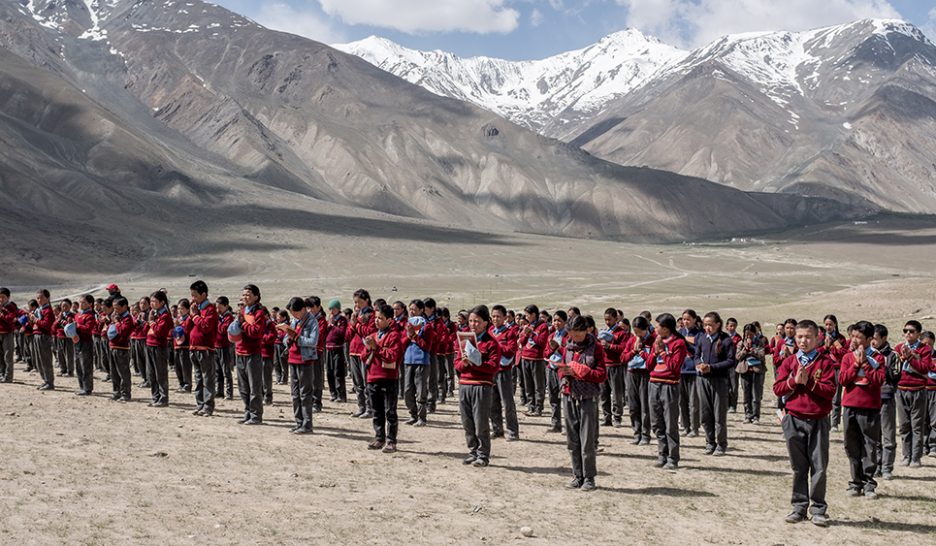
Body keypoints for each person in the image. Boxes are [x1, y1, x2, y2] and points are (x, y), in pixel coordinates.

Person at [773, 320, 837, 527]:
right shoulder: (789, 362)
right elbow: (778, 388)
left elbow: (830, 392)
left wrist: (809, 382)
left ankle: (818, 509)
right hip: (793, 419)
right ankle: (799, 507)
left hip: (818, 420)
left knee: (818, 467)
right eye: (800, 336)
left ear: (818, 337)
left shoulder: (825, 362)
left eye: (808, 336)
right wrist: (794, 382)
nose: (803, 340)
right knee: (799, 467)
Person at [558, 315, 608, 491]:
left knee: (587, 440)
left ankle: (589, 477)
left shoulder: (596, 348)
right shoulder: (567, 347)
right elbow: (562, 369)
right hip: (569, 394)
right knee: (572, 439)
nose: (575, 338)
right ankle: (577, 475)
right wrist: (564, 372)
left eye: (578, 334)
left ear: (586, 330)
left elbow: (602, 374)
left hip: (588, 397)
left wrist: (583, 372)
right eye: (571, 335)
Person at [840, 321, 885, 498]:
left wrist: (866, 364)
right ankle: (855, 482)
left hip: (869, 407)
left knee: (869, 446)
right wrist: (856, 366)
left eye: (859, 337)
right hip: (850, 406)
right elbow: (843, 380)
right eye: (853, 336)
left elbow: (879, 380)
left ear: (868, 339)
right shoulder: (847, 358)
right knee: (851, 445)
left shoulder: (878, 358)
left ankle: (869, 483)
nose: (854, 339)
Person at [455, 305, 501, 468]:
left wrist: (476, 363)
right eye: (471, 321)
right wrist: (464, 363)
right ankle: (472, 451)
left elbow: (493, 366)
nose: (473, 324)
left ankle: (483, 454)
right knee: (467, 421)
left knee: (480, 422)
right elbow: (457, 364)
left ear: (486, 322)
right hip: (465, 384)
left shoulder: (491, 343)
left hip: (482, 386)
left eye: (477, 321)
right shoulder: (465, 340)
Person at [695, 312, 736, 456]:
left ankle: (721, 444)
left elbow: (731, 361)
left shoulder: (726, 340)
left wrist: (712, 367)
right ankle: (709, 442)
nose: (707, 327)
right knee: (705, 414)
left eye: (710, 325)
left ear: (718, 325)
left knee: (719, 415)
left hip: (719, 381)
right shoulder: (701, 338)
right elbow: (696, 355)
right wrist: (699, 364)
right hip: (702, 380)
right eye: (705, 325)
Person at [648, 313, 686, 471]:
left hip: (669, 385)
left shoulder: (679, 343)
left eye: (657, 326)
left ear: (666, 328)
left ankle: (673, 457)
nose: (655, 328)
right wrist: (655, 352)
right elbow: (649, 365)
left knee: (670, 422)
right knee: (656, 422)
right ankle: (661, 454)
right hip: (653, 384)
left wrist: (663, 352)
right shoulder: (656, 341)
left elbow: (674, 367)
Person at [363, 304, 403, 453]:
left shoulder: (394, 336)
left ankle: (391, 441)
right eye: (376, 318)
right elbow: (363, 356)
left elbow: (393, 355)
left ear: (389, 320)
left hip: (388, 377)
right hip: (373, 377)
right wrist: (368, 348)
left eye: (380, 318)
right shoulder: (372, 335)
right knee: (377, 410)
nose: (377, 321)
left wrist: (377, 348)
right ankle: (379, 437)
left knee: (390, 411)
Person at [895, 320, 933, 467]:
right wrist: (902, 358)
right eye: (905, 331)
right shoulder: (899, 348)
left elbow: (924, 368)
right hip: (901, 389)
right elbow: (895, 367)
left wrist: (911, 358)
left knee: (916, 424)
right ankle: (906, 454)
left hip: (918, 390)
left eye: (911, 331)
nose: (907, 334)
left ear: (918, 333)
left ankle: (916, 457)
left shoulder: (925, 350)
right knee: (904, 424)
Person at [279, 297, 320, 434]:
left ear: (303, 309)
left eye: (295, 313)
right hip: (292, 359)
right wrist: (287, 337)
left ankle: (307, 424)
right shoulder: (295, 320)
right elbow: (286, 338)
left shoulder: (312, 321)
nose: (293, 316)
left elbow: (313, 341)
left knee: (305, 394)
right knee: (295, 394)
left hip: (305, 360)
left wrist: (296, 337)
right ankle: (298, 422)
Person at [234, 285, 267, 425]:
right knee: (243, 387)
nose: (245, 297)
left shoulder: (259, 313)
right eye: (243, 294)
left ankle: (256, 415)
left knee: (254, 387)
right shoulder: (243, 311)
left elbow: (256, 332)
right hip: (240, 351)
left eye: (248, 294)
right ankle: (247, 411)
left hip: (253, 354)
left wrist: (243, 325)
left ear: (256, 296)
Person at [873, 324, 900, 480]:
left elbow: (896, 376)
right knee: (874, 434)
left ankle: (887, 467)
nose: (873, 342)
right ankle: (876, 465)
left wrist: (881, 365)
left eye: (875, 339)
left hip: (886, 397)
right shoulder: (868, 353)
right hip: (871, 398)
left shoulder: (893, 355)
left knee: (888, 434)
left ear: (884, 338)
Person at [490, 305, 520, 440]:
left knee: (507, 402)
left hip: (504, 371)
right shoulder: (490, 331)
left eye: (498, 316)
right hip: (491, 371)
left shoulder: (510, 332)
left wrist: (496, 345)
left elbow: (511, 350)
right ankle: (497, 429)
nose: (495, 319)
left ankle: (512, 430)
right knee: (492, 401)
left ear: (504, 318)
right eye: (493, 316)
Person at [624, 316, 655, 445]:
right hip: (632, 373)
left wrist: (642, 351)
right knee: (633, 406)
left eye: (639, 332)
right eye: (635, 331)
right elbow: (623, 357)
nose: (637, 335)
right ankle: (636, 433)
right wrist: (633, 351)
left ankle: (646, 434)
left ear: (646, 329)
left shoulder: (653, 340)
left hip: (645, 374)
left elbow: (652, 360)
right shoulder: (632, 340)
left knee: (645, 406)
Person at [189, 281, 218, 416]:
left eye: (195, 295)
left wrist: (195, 316)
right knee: (198, 378)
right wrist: (192, 315)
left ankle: (208, 406)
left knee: (207, 379)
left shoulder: (210, 309)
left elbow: (206, 326)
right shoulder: (197, 309)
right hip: (194, 348)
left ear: (204, 294)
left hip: (205, 349)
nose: (192, 298)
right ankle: (200, 404)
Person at [403, 300, 431, 427]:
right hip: (408, 359)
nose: (411, 311)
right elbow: (402, 342)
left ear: (421, 310)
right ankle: (412, 414)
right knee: (408, 390)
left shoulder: (427, 326)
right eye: (410, 309)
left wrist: (414, 336)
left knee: (420, 391)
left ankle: (421, 417)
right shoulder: (407, 325)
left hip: (421, 360)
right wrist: (408, 336)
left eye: (414, 309)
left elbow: (427, 346)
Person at [599, 308, 629, 428]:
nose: (607, 322)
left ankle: (617, 417)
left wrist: (610, 346)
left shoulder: (622, 333)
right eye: (605, 320)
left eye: (609, 320)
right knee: (604, 393)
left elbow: (624, 348)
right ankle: (607, 417)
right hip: (604, 366)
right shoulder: (603, 332)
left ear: (616, 319)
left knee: (617, 394)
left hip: (616, 366)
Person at [349, 289, 376, 419]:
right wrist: (352, 324)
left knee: (366, 382)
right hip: (353, 350)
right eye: (355, 302)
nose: (357, 305)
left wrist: (357, 325)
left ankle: (370, 408)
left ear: (366, 300)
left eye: (359, 302)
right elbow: (348, 334)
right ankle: (361, 406)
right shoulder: (357, 315)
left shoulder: (372, 315)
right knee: (357, 382)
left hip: (365, 351)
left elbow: (369, 332)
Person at [519, 305, 549, 417]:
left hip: (537, 358)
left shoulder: (543, 326)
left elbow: (542, 342)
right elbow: (521, 342)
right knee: (528, 384)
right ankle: (530, 406)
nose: (526, 317)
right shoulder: (528, 325)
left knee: (538, 385)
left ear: (533, 314)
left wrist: (532, 334)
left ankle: (538, 408)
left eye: (527, 315)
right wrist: (526, 334)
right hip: (525, 357)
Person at [145, 291, 173, 407]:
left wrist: (151, 322)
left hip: (159, 347)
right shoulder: (155, 314)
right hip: (150, 345)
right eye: (151, 301)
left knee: (160, 373)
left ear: (162, 302)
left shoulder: (165, 316)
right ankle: (155, 396)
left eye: (154, 301)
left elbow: (159, 332)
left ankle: (163, 398)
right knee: (151, 373)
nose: (152, 304)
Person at [821, 315, 849, 432]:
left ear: (835, 325)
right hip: (823, 368)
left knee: (836, 396)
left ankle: (834, 423)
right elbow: (816, 351)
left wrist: (834, 346)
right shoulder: (820, 337)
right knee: (823, 394)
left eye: (830, 324)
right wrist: (825, 347)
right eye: (826, 324)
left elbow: (844, 353)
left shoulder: (841, 338)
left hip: (837, 368)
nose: (828, 327)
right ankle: (824, 421)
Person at [737, 323, 767, 424]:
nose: (749, 336)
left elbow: (762, 355)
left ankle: (756, 416)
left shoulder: (760, 342)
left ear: (754, 333)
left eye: (751, 334)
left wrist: (753, 350)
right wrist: (745, 350)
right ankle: (747, 415)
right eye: (747, 334)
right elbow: (737, 357)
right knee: (746, 394)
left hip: (757, 370)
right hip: (745, 370)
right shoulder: (741, 343)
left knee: (756, 395)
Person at [678, 310, 702, 436]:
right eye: (684, 319)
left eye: (688, 319)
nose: (685, 321)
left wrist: (686, 343)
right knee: (682, 401)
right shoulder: (680, 332)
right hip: (681, 370)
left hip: (693, 370)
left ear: (694, 319)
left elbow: (697, 351)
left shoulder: (699, 334)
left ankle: (694, 427)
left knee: (694, 402)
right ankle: (685, 426)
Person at [546, 311, 569, 432]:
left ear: (565, 322)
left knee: (565, 397)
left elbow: (568, 354)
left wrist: (558, 348)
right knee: (553, 397)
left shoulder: (568, 336)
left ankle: (568, 425)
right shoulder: (551, 335)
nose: (556, 323)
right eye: (554, 320)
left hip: (562, 369)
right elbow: (545, 353)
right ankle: (556, 424)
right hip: (551, 367)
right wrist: (551, 348)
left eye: (559, 320)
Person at [108, 297, 135, 401]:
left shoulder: (128, 318)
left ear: (124, 307)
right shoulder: (117, 316)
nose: (115, 311)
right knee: (114, 371)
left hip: (121, 348)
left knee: (123, 372)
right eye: (114, 308)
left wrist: (117, 322)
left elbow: (123, 332)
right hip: (112, 346)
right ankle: (116, 392)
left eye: (117, 308)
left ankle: (125, 393)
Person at [72, 295, 98, 395]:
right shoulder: (77, 315)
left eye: (83, 302)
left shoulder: (90, 316)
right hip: (77, 341)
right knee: (78, 365)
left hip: (86, 342)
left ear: (90, 304)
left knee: (86, 365)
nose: (81, 304)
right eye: (80, 302)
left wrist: (77, 326)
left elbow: (88, 329)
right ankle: (81, 386)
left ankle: (87, 388)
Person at [31, 289, 55, 390]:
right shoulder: (38, 310)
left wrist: (36, 320)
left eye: (41, 298)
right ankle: (45, 380)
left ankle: (49, 382)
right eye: (37, 298)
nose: (39, 300)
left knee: (45, 360)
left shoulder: (48, 311)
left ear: (47, 298)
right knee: (39, 360)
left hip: (44, 336)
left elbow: (46, 325)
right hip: (37, 335)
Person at [325, 299, 348, 402]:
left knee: (338, 372)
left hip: (338, 348)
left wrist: (333, 325)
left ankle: (341, 395)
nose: (331, 311)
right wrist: (328, 325)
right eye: (330, 309)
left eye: (333, 309)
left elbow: (341, 333)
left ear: (338, 309)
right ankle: (333, 393)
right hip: (328, 349)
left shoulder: (342, 320)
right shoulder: (329, 319)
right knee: (329, 372)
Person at [215, 296, 236, 401]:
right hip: (216, 345)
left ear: (226, 306)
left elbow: (223, 329)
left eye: (220, 307)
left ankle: (229, 393)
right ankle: (219, 391)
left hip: (225, 347)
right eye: (217, 307)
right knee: (217, 370)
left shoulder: (229, 317)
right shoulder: (218, 317)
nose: (218, 310)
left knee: (226, 370)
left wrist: (216, 323)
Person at [173, 299, 194, 393]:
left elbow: (186, 332)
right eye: (178, 309)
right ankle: (181, 383)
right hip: (177, 346)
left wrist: (178, 327)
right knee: (178, 366)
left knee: (185, 366)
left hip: (185, 346)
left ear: (187, 309)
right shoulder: (178, 319)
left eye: (182, 308)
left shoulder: (189, 319)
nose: (179, 311)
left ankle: (187, 385)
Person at [0, 288, 19, 384]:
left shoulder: (10, 307)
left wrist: (2, 314)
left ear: (8, 297)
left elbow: (11, 319)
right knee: (0, 356)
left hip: (7, 334)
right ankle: (1, 374)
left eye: (3, 297)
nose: (1, 299)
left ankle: (8, 376)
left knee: (8, 356)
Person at [726, 317, 742, 413]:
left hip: (734, 365)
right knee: (725, 385)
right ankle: (726, 404)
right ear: (726, 326)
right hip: (724, 365)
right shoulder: (723, 337)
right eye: (730, 326)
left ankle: (733, 405)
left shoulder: (738, 338)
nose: (732, 328)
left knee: (734, 386)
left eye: (734, 326)